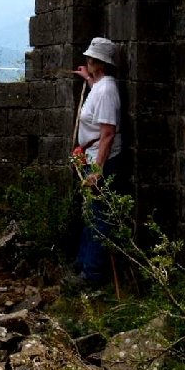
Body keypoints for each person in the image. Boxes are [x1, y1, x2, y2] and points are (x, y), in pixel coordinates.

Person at [69, 36, 123, 288]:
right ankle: (82, 264)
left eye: (90, 59)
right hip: (91, 159)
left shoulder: (108, 91)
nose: (86, 61)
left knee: (99, 217)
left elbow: (108, 133)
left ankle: (92, 275)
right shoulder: (100, 86)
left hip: (100, 163)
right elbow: (98, 103)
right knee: (91, 214)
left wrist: (98, 171)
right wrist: (89, 81)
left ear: (98, 63)